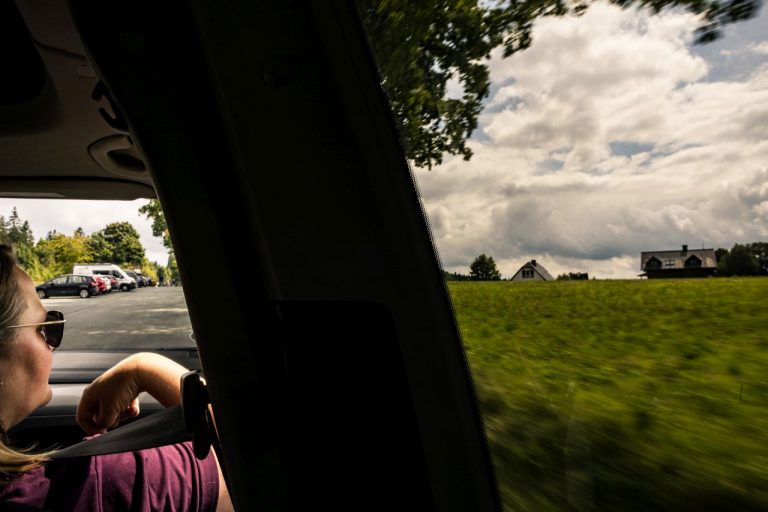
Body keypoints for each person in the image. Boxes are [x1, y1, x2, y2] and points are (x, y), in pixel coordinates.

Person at [0, 245, 233, 511]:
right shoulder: (99, 482)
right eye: (46, 328)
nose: (52, 344)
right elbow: (246, 453)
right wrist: (146, 368)